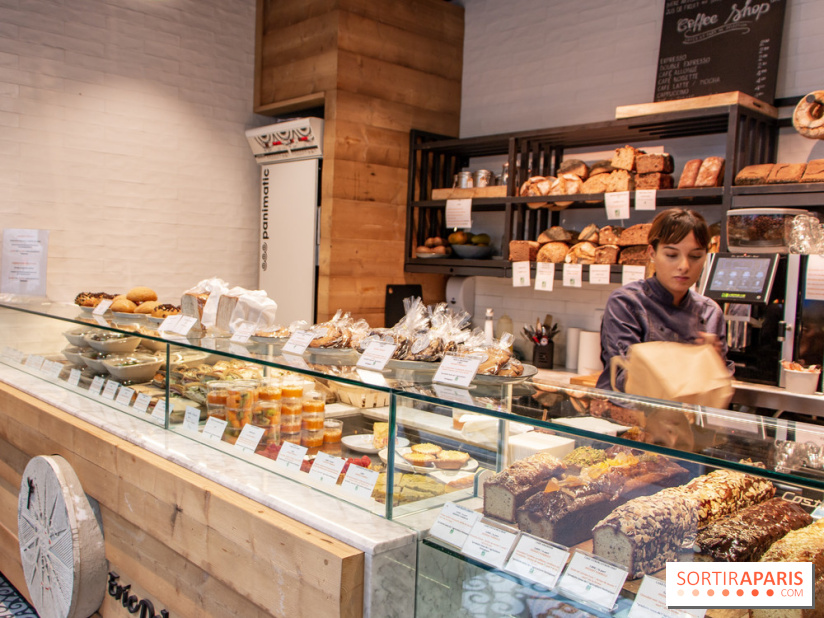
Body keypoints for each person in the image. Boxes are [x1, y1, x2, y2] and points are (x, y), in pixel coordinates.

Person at [597, 208, 733, 392]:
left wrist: (715, 366)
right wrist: (695, 362)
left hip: (685, 417)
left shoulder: (710, 312)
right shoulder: (626, 303)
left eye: (695, 256)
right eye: (671, 255)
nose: (684, 266)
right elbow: (625, 378)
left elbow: (717, 386)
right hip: (624, 415)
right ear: (652, 253)